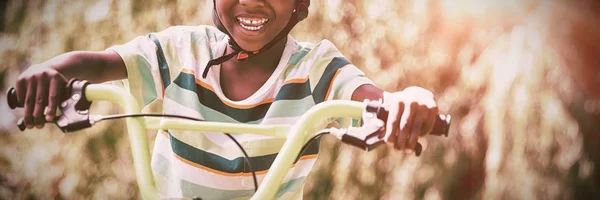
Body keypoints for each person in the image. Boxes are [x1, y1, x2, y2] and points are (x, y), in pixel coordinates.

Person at [14, 0, 439, 199]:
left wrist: (411, 102)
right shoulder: (182, 52)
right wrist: (49, 73)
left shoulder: (315, 68)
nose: (251, 0)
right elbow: (101, 64)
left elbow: (373, 99)